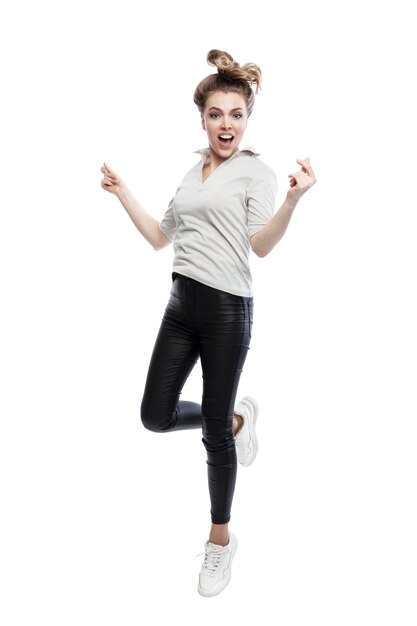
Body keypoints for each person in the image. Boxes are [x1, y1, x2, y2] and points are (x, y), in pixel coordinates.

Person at [100, 48, 316, 597]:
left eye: (237, 114)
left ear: (247, 119)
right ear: (203, 118)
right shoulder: (191, 172)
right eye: (217, 114)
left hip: (226, 311)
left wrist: (292, 202)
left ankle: (220, 541)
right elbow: (159, 237)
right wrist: (122, 191)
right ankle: (236, 423)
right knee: (154, 415)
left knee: (211, 436)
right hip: (179, 307)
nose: (227, 124)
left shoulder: (256, 173)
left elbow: (261, 247)